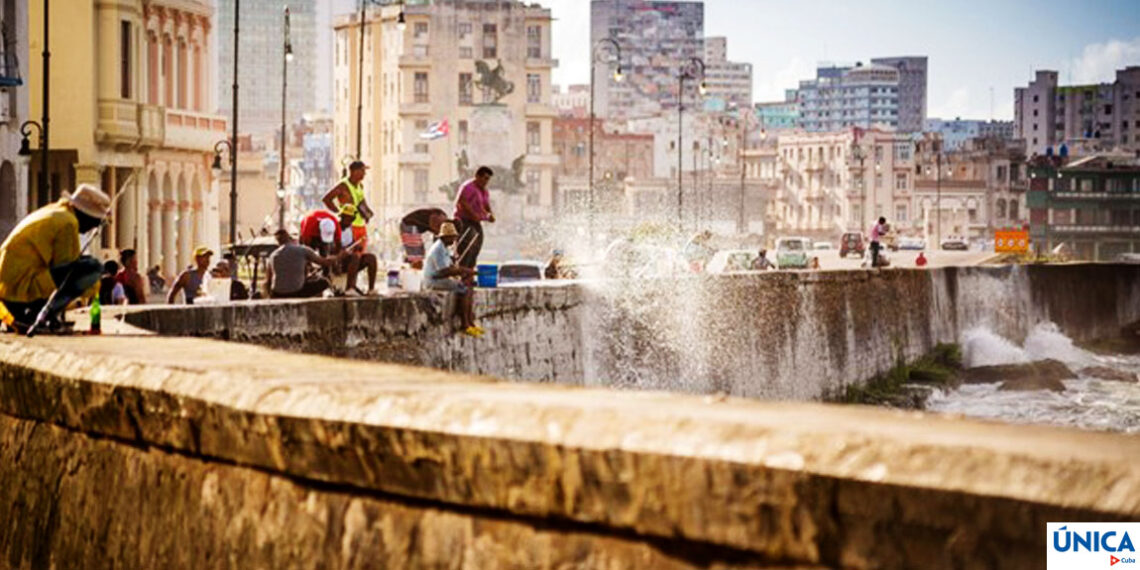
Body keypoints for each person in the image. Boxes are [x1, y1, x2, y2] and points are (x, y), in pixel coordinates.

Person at [0, 184, 109, 332]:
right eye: (94, 223)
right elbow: (66, 271)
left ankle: (26, 315)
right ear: (86, 215)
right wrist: (94, 283)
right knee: (92, 267)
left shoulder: (56, 212)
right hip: (20, 288)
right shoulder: (68, 223)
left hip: (9, 286)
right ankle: (40, 316)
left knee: (83, 266)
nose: (92, 229)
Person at [423, 222, 481, 336]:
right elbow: (444, 271)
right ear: (446, 237)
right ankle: (465, 323)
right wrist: (465, 271)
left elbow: (450, 267)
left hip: (439, 278)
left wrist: (460, 270)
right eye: (453, 237)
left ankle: (470, 321)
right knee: (463, 288)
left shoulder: (444, 248)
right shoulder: (438, 248)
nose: (454, 239)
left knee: (469, 287)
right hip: (433, 281)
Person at [266, 229, 340, 299]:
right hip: (296, 292)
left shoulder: (272, 255)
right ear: (290, 238)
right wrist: (339, 256)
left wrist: (270, 295)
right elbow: (325, 262)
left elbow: (268, 280)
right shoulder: (302, 250)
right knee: (324, 282)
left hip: (277, 293)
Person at [322, 160, 373, 249]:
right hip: (349, 226)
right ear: (354, 171)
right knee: (352, 254)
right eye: (362, 170)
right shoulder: (343, 186)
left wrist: (367, 213)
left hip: (361, 225)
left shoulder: (360, 186)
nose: (364, 174)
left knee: (361, 254)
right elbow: (327, 199)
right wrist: (339, 212)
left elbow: (362, 200)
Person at [453, 166, 495, 269]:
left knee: (477, 244)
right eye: (484, 178)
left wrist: (491, 214)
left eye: (488, 179)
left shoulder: (484, 191)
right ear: (477, 176)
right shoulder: (468, 187)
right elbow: (462, 202)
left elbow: (486, 204)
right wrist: (474, 215)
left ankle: (470, 271)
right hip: (463, 220)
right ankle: (462, 272)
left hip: (475, 221)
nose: (486, 181)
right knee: (466, 246)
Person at [334, 204, 379, 295]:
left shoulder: (351, 229)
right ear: (341, 217)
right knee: (354, 257)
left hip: (350, 259)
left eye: (350, 218)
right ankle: (349, 288)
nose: (347, 221)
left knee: (371, 258)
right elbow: (331, 247)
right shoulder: (335, 228)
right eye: (345, 218)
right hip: (338, 261)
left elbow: (352, 244)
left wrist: (356, 246)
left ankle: (371, 289)